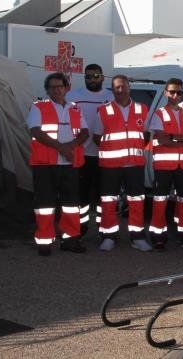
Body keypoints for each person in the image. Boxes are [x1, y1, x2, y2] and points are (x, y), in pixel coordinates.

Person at [27, 72, 89, 256]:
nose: (56, 90)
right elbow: (36, 132)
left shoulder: (75, 108)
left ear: (66, 88)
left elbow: (84, 132)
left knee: (71, 203)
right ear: (47, 90)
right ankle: (44, 240)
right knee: (45, 203)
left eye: (60, 86)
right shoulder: (38, 107)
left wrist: (70, 146)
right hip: (45, 163)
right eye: (52, 87)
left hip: (69, 163)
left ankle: (70, 239)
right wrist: (61, 148)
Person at [93, 75, 152, 252]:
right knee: (109, 201)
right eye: (117, 88)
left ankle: (137, 237)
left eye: (123, 87)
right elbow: (97, 137)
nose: (120, 90)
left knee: (136, 201)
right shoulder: (103, 110)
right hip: (111, 165)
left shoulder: (142, 109)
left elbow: (147, 134)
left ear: (129, 88)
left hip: (134, 164)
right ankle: (109, 236)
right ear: (112, 90)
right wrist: (113, 149)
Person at [147, 78, 183, 251]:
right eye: (172, 92)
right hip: (164, 166)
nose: (175, 95)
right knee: (160, 201)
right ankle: (158, 235)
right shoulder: (159, 113)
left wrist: (175, 138)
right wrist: (182, 139)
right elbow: (162, 139)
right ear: (165, 93)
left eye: (178, 92)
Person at [66, 64, 114, 234]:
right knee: (82, 194)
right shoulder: (73, 96)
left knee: (104, 194)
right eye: (88, 76)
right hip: (82, 153)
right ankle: (81, 228)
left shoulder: (111, 96)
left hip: (106, 154)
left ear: (102, 77)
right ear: (84, 78)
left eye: (96, 76)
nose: (92, 79)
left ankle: (104, 229)